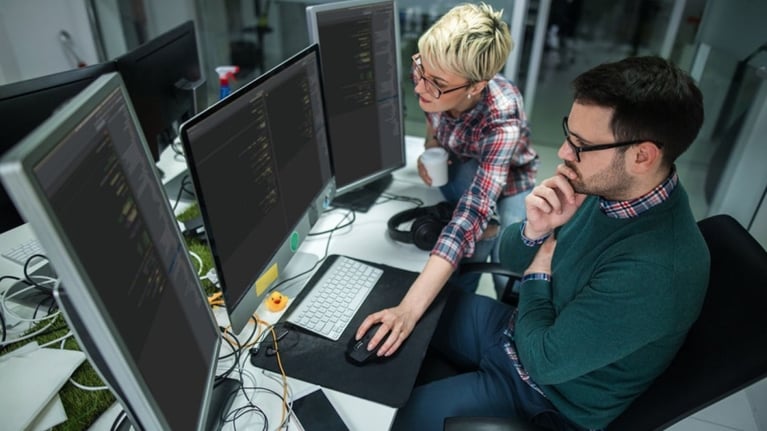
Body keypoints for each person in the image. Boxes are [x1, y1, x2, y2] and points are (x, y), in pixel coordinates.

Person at [373, 55, 710, 431]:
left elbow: (544, 362)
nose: (564, 153)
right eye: (569, 134)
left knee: (388, 418)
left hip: (543, 393)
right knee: (392, 303)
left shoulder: (658, 270)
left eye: (580, 145)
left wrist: (536, 277)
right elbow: (512, 257)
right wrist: (535, 231)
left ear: (642, 156)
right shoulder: (609, 188)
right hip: (515, 331)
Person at [408, 2, 539, 299]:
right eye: (421, 69)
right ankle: (459, 299)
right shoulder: (429, 71)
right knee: (462, 272)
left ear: (475, 87)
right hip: (464, 163)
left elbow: (475, 209)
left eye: (436, 83)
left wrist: (410, 305)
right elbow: (432, 114)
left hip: (511, 179)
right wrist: (432, 143)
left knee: (510, 267)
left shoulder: (502, 114)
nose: (419, 88)